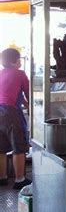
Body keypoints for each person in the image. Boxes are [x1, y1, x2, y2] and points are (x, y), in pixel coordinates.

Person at [0, 48, 31, 189]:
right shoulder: (20, 74)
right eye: (19, 59)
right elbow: (29, 94)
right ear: (15, 61)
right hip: (11, 112)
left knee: (1, 148)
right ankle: (19, 179)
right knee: (19, 146)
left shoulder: (1, 74)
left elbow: (12, 92)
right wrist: (31, 106)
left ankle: (2, 177)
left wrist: (24, 103)